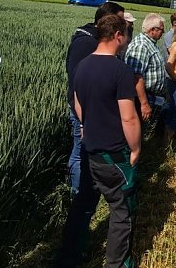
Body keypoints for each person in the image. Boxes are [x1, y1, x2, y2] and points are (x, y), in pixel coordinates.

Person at [57, 14, 139, 268]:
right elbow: (129, 118)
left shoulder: (83, 65)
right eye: (125, 34)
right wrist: (135, 149)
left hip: (91, 150)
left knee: (84, 202)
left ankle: (67, 257)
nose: (126, 39)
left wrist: (87, 126)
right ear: (117, 35)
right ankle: (117, 264)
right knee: (122, 211)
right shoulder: (120, 70)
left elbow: (78, 103)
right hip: (115, 154)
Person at [65, 1, 125, 194]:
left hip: (92, 108)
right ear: (105, 20)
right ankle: (78, 192)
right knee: (80, 152)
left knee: (87, 152)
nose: (123, 25)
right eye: (119, 20)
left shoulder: (94, 40)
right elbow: (76, 83)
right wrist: (83, 120)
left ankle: (88, 188)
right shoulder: (86, 43)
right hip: (82, 109)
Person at [124, 13, 166, 131]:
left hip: (149, 96)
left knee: (143, 129)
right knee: (137, 130)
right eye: (161, 30)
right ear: (153, 30)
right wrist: (144, 103)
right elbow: (136, 76)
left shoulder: (150, 43)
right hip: (142, 97)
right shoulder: (141, 45)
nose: (163, 33)